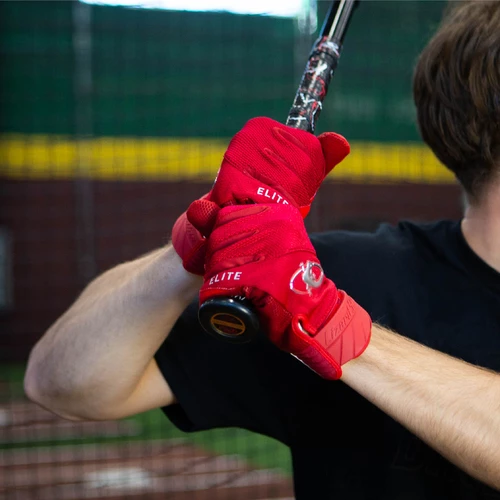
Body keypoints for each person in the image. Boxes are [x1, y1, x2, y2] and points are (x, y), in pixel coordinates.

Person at [24, 1, 500, 498]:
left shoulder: (319, 299)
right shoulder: (345, 278)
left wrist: (333, 327)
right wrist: (201, 241)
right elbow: (60, 384)